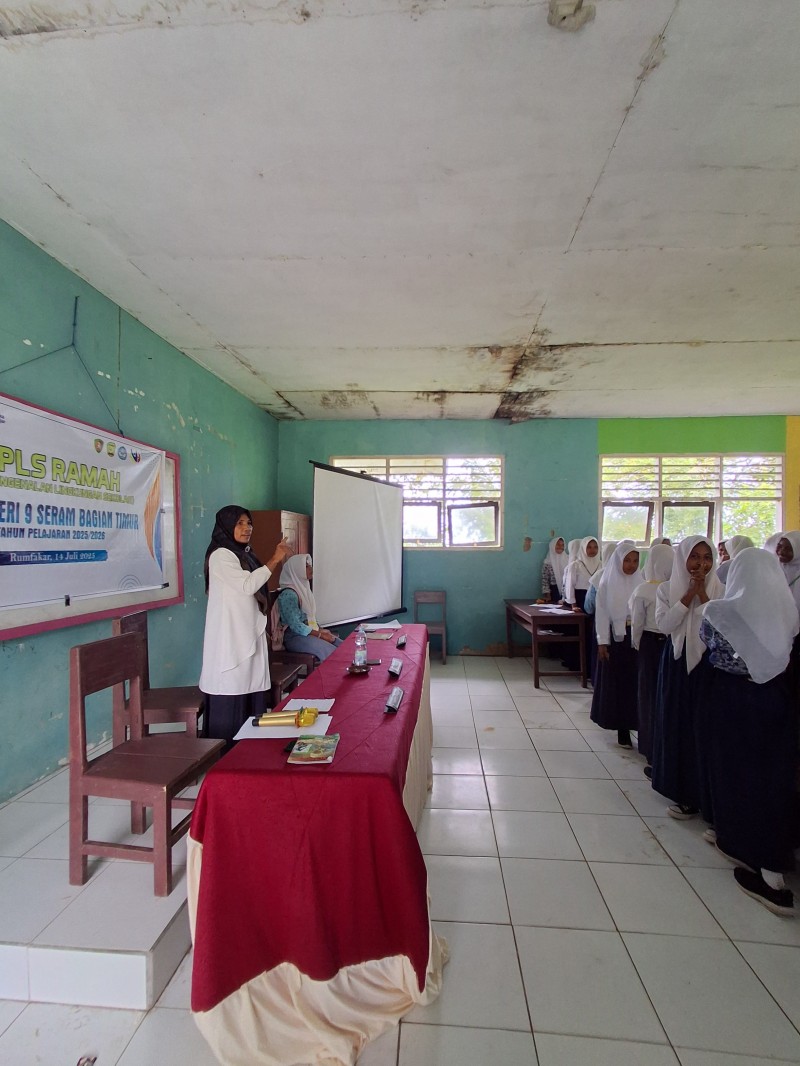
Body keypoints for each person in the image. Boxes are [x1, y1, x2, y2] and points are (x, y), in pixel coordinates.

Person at [701, 548, 799, 915]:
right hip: (777, 700)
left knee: (736, 772)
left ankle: (762, 867)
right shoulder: (787, 612)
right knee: (771, 777)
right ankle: (767, 859)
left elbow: (711, 649)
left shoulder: (719, 613)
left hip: (734, 700)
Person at [200, 506, 291, 749]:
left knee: (249, 690)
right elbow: (248, 585)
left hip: (247, 631)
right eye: (239, 523)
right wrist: (275, 559)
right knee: (232, 690)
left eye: (249, 523)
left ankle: (249, 751)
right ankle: (227, 754)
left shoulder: (244, 554)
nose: (247, 528)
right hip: (231, 635)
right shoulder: (221, 555)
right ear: (226, 526)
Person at [652, 536, 724, 821]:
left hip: (709, 666)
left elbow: (720, 629)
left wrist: (703, 596)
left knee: (705, 729)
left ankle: (708, 797)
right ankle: (683, 792)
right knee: (678, 724)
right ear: (683, 559)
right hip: (677, 662)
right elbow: (665, 625)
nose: (701, 564)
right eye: (694, 557)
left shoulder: (721, 591)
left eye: (707, 558)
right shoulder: (666, 590)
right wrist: (687, 596)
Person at [591, 541, 643, 748]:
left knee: (635, 684)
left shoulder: (641, 581)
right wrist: (602, 642)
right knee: (620, 684)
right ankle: (622, 728)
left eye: (635, 561)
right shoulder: (607, 582)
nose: (631, 565)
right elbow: (602, 614)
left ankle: (637, 723)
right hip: (616, 639)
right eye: (627, 560)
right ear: (618, 560)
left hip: (637, 638)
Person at [629, 542, 674, 773]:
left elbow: (637, 624)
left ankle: (649, 746)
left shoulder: (643, 590)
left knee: (648, 694)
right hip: (672, 645)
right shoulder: (679, 588)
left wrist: (637, 645)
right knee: (666, 695)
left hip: (649, 643)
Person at [277, 554, 342, 663]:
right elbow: (296, 626)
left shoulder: (303, 590)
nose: (311, 568)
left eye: (309, 565)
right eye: (306, 566)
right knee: (331, 652)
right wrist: (320, 635)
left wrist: (320, 630)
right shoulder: (289, 595)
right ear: (296, 570)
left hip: (309, 632)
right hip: (294, 637)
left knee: (341, 645)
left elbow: (309, 616)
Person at [540, 536, 567, 603]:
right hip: (554, 592)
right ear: (552, 546)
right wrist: (548, 596)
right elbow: (545, 581)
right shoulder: (547, 563)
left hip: (567, 591)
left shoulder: (568, 560)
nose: (560, 547)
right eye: (558, 544)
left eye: (562, 545)